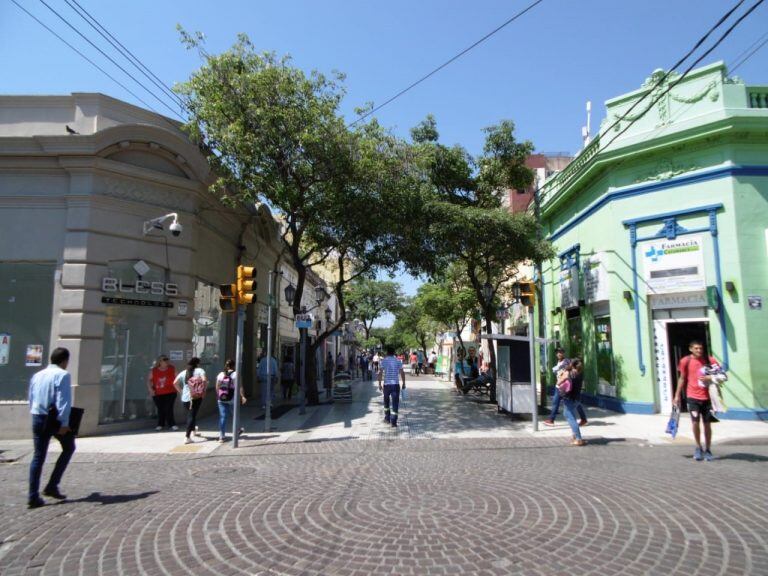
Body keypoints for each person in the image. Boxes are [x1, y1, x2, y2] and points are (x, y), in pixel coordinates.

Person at [27, 347, 76, 508]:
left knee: (38, 457)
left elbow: (31, 396)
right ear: (65, 361)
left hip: (37, 416)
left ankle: (33, 495)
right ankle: (52, 485)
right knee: (68, 448)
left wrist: (34, 412)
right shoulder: (62, 375)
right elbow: (64, 401)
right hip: (53, 419)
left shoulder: (37, 375)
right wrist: (64, 423)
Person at [673, 340, 717, 461]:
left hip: (708, 398)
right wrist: (676, 396)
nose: (699, 351)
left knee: (707, 424)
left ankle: (708, 449)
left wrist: (710, 377)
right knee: (695, 423)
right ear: (691, 349)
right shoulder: (685, 361)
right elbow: (682, 378)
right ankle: (698, 447)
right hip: (692, 397)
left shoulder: (710, 360)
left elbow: (721, 375)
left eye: (701, 348)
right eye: (696, 348)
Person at [543, 347, 587, 427]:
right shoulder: (559, 362)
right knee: (573, 402)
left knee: (558, 402)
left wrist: (561, 369)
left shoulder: (566, 361)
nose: (559, 354)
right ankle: (583, 419)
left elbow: (568, 369)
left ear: (563, 353)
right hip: (560, 385)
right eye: (558, 352)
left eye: (561, 352)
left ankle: (551, 420)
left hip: (563, 386)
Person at [173, 357, 207, 444]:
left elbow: (174, 383)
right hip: (196, 396)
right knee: (191, 415)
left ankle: (194, 431)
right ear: (197, 364)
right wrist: (203, 391)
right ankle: (187, 437)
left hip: (185, 397)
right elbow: (204, 380)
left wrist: (181, 391)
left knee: (191, 414)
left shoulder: (184, 372)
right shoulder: (200, 370)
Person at [215, 359, 246, 442]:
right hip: (233, 399)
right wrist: (242, 396)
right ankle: (237, 430)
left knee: (223, 417)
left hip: (221, 399)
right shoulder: (236, 374)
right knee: (235, 415)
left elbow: (217, 387)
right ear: (234, 366)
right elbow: (240, 387)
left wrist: (219, 396)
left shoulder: (221, 374)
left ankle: (222, 436)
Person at [146, 355, 177, 431]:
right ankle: (160, 424)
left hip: (171, 392)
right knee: (160, 409)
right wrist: (150, 389)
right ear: (160, 362)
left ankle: (172, 424)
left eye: (167, 360)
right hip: (158, 393)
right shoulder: (154, 370)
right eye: (164, 360)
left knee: (168, 408)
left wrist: (178, 387)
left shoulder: (172, 368)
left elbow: (178, 378)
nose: (166, 361)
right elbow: (149, 380)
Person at [560, 358, 587, 446]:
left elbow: (560, 382)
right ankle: (575, 436)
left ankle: (578, 439)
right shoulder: (580, 373)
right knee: (570, 416)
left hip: (569, 398)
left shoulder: (570, 373)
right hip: (576, 398)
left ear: (572, 364)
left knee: (570, 417)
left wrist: (562, 377)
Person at [378, 345, 406, 427]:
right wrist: (404, 383)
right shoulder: (398, 361)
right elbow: (402, 372)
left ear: (387, 352)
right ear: (394, 353)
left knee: (386, 402)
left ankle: (387, 418)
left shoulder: (383, 361)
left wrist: (379, 384)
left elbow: (380, 373)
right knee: (395, 403)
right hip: (395, 385)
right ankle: (393, 422)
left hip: (387, 385)